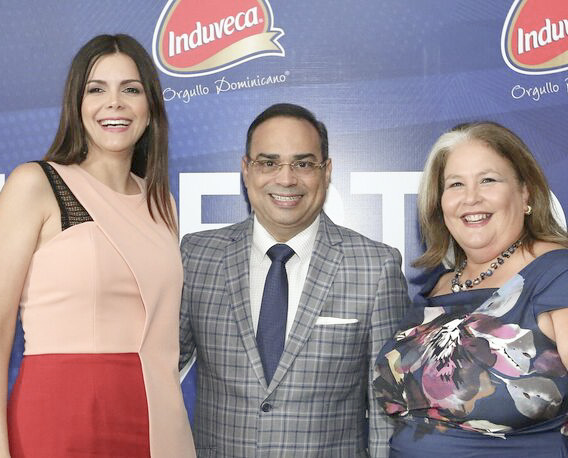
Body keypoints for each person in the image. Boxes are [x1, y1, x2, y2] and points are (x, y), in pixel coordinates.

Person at [0, 34, 196, 457]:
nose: (115, 104)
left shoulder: (162, 203)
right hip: (61, 418)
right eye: (96, 89)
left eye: (131, 89)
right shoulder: (37, 184)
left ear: (150, 107)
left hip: (157, 419)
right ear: (76, 104)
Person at [179, 102, 409, 457]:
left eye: (303, 164)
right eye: (268, 163)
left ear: (326, 171)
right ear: (246, 170)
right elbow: (155, 369)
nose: (286, 179)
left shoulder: (375, 267)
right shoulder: (197, 256)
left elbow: (387, 411)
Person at [373, 121, 568, 457]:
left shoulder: (556, 274)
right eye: (456, 184)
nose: (471, 197)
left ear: (525, 192)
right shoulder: (439, 285)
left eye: (488, 180)